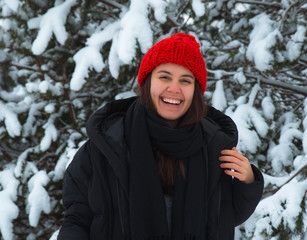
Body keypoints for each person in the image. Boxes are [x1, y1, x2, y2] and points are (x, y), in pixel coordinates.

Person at [58, 33, 264, 240]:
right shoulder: (106, 144)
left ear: (195, 91)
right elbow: (77, 218)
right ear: (147, 82)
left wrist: (248, 182)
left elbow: (225, 218)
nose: (174, 89)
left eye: (185, 81)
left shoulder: (213, 146)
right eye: (164, 77)